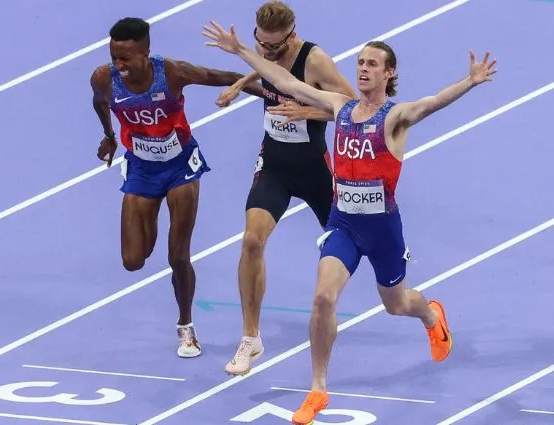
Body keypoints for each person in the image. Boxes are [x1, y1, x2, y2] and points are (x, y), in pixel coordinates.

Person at [202, 20, 496, 424]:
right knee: (323, 298)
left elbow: (432, 102)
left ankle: (430, 315)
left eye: (372, 64)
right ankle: (318, 389)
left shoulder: (396, 117)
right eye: (360, 62)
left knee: (397, 304)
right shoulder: (340, 107)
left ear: (388, 73)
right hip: (343, 224)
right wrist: (240, 52)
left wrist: (470, 81)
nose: (363, 69)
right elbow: (284, 80)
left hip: (382, 230)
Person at [90, 17, 264, 359]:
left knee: (177, 255)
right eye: (114, 57)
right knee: (133, 260)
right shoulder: (103, 78)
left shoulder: (171, 73)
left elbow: (224, 78)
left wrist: (270, 94)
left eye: (126, 58)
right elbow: (99, 102)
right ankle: (150, 216)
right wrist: (110, 137)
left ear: (146, 52)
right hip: (140, 168)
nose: (119, 65)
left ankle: (186, 327)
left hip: (180, 167)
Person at [213, 1, 357, 376]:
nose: (267, 52)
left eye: (276, 48)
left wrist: (307, 111)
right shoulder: (264, 47)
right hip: (274, 164)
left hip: (314, 169)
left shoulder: (315, 61)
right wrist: (240, 84)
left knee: (359, 244)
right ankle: (250, 338)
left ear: (292, 36)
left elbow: (355, 108)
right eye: (261, 44)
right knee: (251, 241)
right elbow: (266, 70)